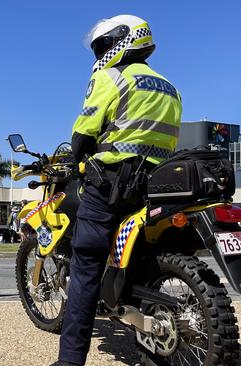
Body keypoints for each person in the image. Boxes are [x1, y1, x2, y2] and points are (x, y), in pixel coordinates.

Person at [54, 15, 182, 366]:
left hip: (111, 183)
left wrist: (76, 158)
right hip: (155, 185)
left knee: (85, 266)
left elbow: (83, 134)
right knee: (140, 258)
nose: (100, 52)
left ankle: (69, 360)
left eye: (103, 44)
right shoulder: (169, 87)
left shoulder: (109, 76)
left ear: (122, 41)